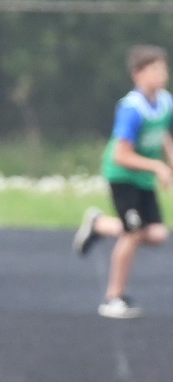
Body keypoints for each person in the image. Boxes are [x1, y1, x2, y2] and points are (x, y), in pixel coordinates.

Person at [73, 44, 173, 319]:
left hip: (143, 179)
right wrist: (156, 166)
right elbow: (120, 155)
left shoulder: (165, 102)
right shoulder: (132, 108)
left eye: (163, 68)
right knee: (133, 234)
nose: (161, 74)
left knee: (156, 234)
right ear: (137, 75)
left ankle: (99, 224)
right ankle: (113, 297)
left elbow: (163, 134)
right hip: (123, 177)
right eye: (154, 69)